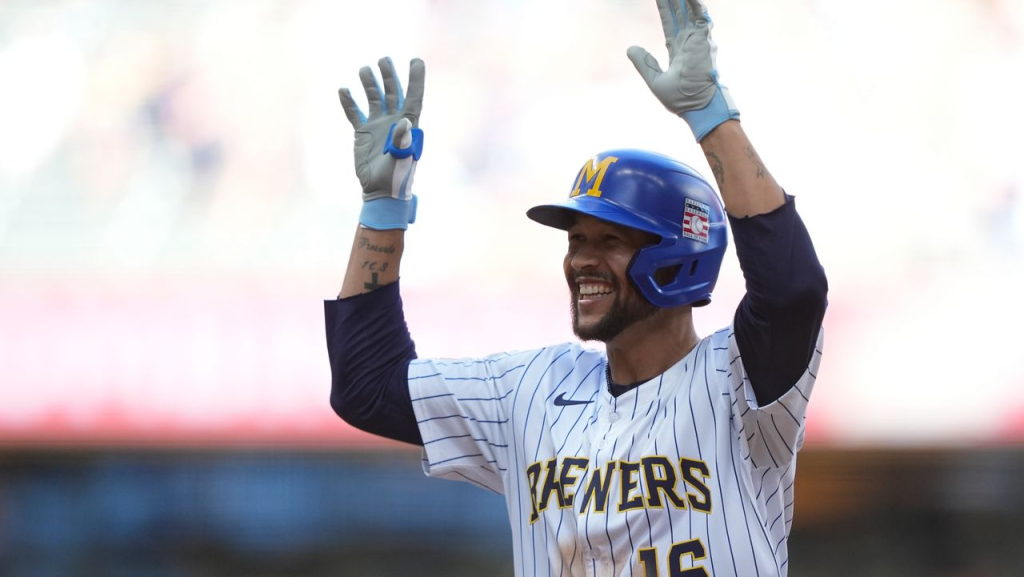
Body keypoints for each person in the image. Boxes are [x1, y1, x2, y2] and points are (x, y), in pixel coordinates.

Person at [325, 0, 827, 575]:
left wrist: (712, 117)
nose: (582, 261)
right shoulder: (531, 391)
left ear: (679, 257)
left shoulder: (741, 381)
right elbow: (366, 387)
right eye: (576, 240)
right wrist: (383, 211)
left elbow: (792, 290)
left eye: (610, 240)